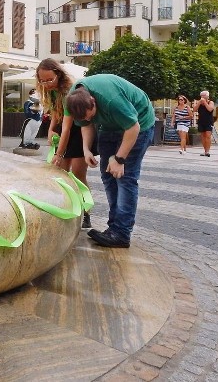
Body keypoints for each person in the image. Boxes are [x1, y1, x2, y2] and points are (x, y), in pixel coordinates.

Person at [64, 74, 154, 249]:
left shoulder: (112, 100)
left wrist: (119, 159)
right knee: (108, 175)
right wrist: (86, 149)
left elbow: (132, 127)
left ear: (93, 101)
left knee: (125, 178)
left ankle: (121, 233)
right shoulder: (74, 101)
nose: (88, 119)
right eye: (84, 118)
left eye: (90, 115)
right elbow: (86, 125)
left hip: (139, 125)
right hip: (110, 126)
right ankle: (113, 227)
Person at [36, 58, 93, 229]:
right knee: (60, 173)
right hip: (64, 129)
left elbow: (68, 128)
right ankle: (65, 209)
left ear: (58, 75)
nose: (46, 84)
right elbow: (56, 112)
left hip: (77, 131)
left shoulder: (70, 91)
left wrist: (58, 154)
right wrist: (51, 129)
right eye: (42, 80)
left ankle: (86, 214)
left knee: (78, 175)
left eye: (50, 79)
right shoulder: (52, 91)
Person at [193, 90, 215, 157]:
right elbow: (194, 110)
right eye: (201, 96)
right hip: (201, 121)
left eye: (204, 96)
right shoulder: (198, 102)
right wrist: (199, 103)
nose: (202, 97)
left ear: (207, 96)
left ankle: (207, 151)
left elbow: (210, 109)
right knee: (203, 136)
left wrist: (205, 102)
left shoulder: (210, 102)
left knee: (208, 136)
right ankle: (205, 150)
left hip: (209, 121)